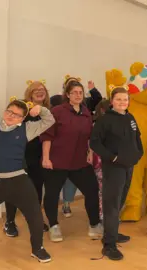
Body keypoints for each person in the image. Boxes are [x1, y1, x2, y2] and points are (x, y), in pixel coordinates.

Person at [0, 93, 54, 263]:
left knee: (35, 215)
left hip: (18, 181)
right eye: (9, 112)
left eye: (16, 115)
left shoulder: (26, 129)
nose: (11, 116)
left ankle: (38, 249)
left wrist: (41, 109)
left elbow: (49, 121)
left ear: (22, 118)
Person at [41, 80, 102, 243]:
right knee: (52, 195)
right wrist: (46, 158)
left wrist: (90, 152)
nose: (77, 95)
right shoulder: (57, 111)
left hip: (79, 161)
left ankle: (94, 224)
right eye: (74, 92)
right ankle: (53, 225)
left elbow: (89, 136)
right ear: (67, 95)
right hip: (56, 161)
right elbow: (47, 136)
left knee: (92, 190)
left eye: (80, 92)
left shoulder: (86, 112)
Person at [90, 86, 143, 260]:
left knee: (120, 202)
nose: (122, 102)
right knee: (111, 205)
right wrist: (112, 158)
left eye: (125, 99)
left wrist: (138, 154)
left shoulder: (130, 117)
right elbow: (95, 144)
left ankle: (111, 233)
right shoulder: (104, 120)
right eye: (119, 99)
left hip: (129, 166)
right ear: (112, 101)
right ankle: (109, 245)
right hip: (113, 168)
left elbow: (137, 138)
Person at [4, 80, 51, 237]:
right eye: (35, 89)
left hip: (38, 158)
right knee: (13, 190)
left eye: (42, 89)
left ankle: (35, 219)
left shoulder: (47, 111)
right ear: (29, 93)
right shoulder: (22, 108)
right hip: (18, 157)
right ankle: (9, 222)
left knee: (36, 190)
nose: (39, 91)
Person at [92, 99, 112, 221]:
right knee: (101, 190)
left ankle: (107, 213)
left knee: (108, 189)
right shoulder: (97, 125)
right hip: (100, 162)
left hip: (110, 162)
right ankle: (102, 214)